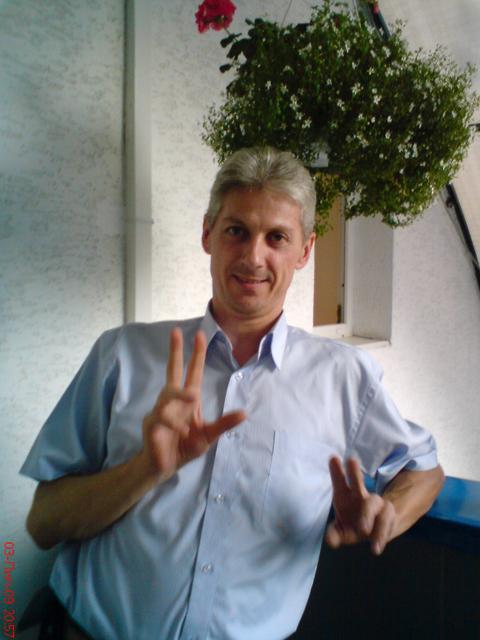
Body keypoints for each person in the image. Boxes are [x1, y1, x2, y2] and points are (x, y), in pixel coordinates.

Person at [21, 147, 444, 640]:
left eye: (277, 237)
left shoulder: (344, 377)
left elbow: (424, 469)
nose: (253, 256)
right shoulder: (122, 354)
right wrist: (146, 469)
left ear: (305, 250)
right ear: (208, 234)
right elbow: (42, 523)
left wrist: (388, 516)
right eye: (236, 230)